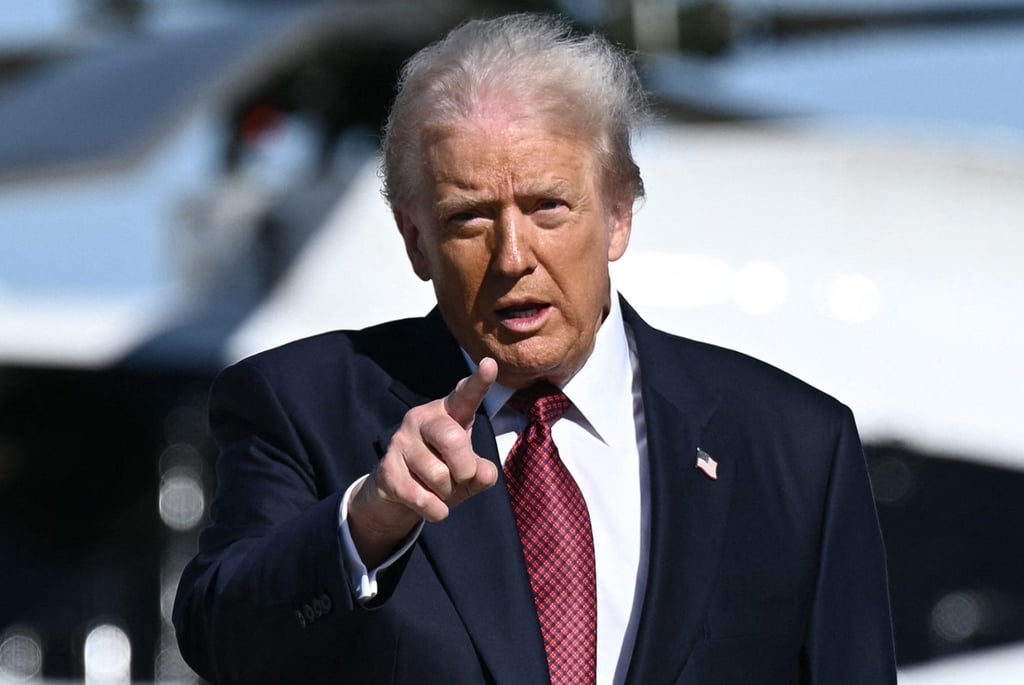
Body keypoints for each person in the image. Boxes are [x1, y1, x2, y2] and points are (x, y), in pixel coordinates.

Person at [173, 13, 897, 685]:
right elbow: (219, 638)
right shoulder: (303, 407)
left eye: (547, 207)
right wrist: (367, 521)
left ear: (618, 215)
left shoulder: (793, 446)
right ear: (415, 241)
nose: (513, 256)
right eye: (469, 218)